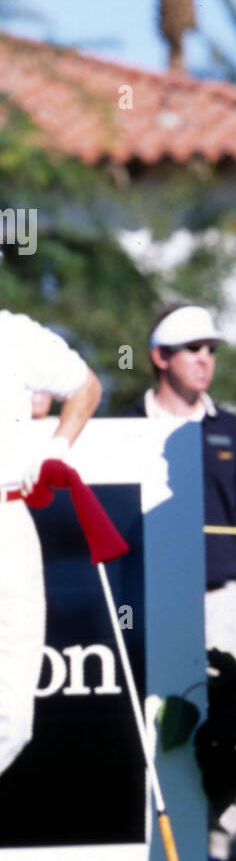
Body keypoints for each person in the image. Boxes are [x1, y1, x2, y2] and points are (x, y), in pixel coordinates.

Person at [124, 304, 236, 861]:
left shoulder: (233, 428)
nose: (205, 359)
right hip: (150, 599)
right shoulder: (127, 428)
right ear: (159, 357)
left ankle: (220, 856)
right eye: (191, 348)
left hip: (223, 596)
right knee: (155, 722)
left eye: (211, 349)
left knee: (231, 724)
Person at [0, 310, 101, 778]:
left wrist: (55, 449)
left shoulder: (15, 334)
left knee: (12, 718)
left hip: (8, 518)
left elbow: (87, 386)